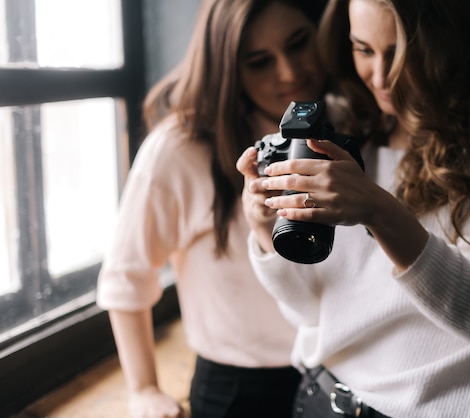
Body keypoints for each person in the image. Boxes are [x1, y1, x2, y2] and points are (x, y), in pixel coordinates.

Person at [236, 0, 470, 416]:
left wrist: (380, 211)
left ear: (449, 43)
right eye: (363, 49)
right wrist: (265, 234)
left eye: (400, 54)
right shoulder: (347, 127)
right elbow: (310, 311)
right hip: (318, 400)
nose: (380, 78)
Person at [96, 0, 329, 417]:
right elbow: (125, 275)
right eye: (259, 62)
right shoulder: (178, 149)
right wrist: (144, 388)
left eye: (298, 44)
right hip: (240, 389)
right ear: (228, 69)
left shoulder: (343, 124)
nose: (291, 73)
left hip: (336, 372)